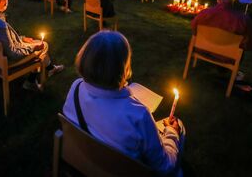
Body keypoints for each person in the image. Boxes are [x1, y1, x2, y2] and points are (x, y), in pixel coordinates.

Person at [63, 31, 185, 176]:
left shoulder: (76, 87)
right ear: (123, 68)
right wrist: (172, 133)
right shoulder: (139, 115)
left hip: (83, 158)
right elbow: (164, 166)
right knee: (179, 126)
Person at [0, 0, 64, 91]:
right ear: (0, 1)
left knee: (37, 44)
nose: (8, 0)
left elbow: (3, 39)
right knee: (43, 46)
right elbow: (13, 53)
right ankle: (31, 81)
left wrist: (22, 39)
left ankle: (51, 68)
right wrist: (33, 48)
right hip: (7, 60)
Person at [191, 0, 252, 94]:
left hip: (203, 50)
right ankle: (226, 68)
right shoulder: (244, 19)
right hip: (228, 57)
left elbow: (194, 30)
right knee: (240, 49)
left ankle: (219, 66)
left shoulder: (204, 13)